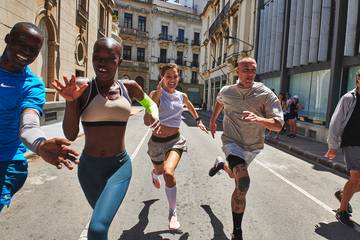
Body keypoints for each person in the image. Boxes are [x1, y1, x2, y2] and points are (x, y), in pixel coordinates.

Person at [51, 37, 158, 240]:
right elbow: (70, 134)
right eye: (97, 57)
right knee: (101, 224)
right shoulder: (83, 87)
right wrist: (71, 102)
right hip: (88, 170)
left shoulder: (130, 87)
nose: (102, 63)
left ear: (119, 61)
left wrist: (152, 115)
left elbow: (150, 103)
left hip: (118, 167)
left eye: (109, 58)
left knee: (98, 228)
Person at [0, 22, 79, 212]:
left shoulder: (33, 85)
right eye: (22, 44)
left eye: (34, 50)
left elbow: (29, 125)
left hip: (7, 164)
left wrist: (40, 144)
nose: (27, 52)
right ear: (8, 40)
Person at [207, 57, 284, 240]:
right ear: (237, 72)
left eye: (252, 70)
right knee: (243, 183)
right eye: (245, 70)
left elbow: (278, 124)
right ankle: (237, 231)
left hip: (253, 146)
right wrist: (212, 120)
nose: (249, 74)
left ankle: (221, 164)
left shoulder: (265, 94)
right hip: (232, 142)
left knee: (236, 175)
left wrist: (259, 119)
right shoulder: (227, 91)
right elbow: (219, 101)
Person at [144, 63, 208, 230]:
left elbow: (190, 107)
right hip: (156, 143)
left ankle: (173, 212)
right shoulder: (154, 94)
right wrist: (156, 96)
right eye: (168, 77)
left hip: (175, 140)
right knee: (159, 171)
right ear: (162, 78)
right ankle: (154, 173)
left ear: (178, 78)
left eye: (175, 76)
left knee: (168, 172)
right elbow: (147, 120)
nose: (172, 80)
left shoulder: (182, 96)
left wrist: (198, 121)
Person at [325, 69, 360, 228]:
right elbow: (335, 123)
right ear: (358, 79)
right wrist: (333, 146)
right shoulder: (348, 98)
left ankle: (342, 194)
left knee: (357, 182)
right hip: (352, 142)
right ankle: (342, 211)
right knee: (356, 178)